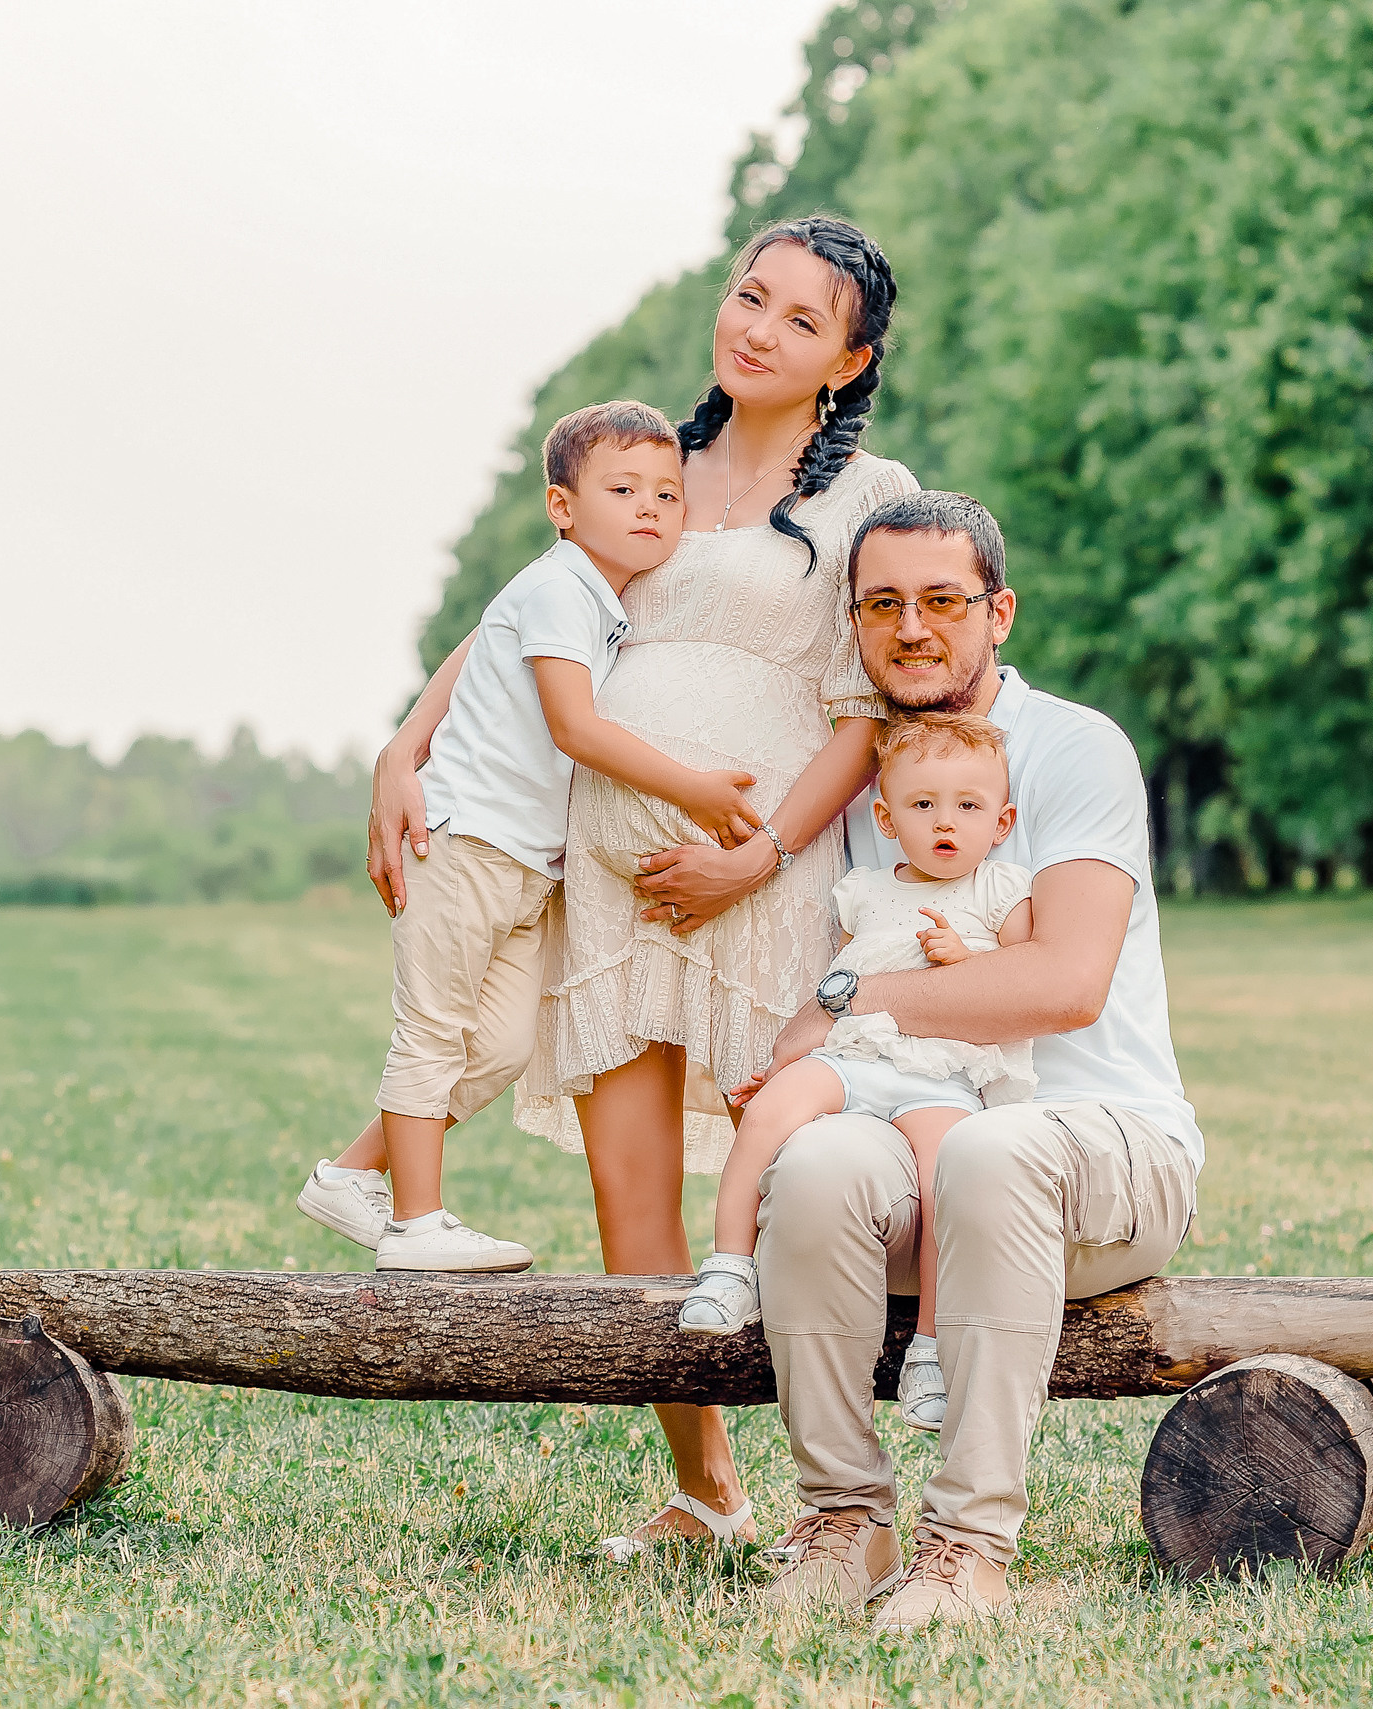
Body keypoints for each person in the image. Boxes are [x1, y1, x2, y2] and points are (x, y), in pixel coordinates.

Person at [365, 217, 915, 1556]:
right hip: (616, 890)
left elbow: (862, 714)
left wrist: (759, 852)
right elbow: (532, 616)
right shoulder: (646, 469)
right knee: (633, 1199)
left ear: (848, 362)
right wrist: (408, 739)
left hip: (757, 875)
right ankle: (705, 1487)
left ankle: (835, 1499)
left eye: (799, 319)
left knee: (792, 1184)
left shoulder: (864, 499)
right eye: (750, 295)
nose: (758, 328)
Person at [750, 490, 1205, 1634]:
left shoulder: (1074, 746)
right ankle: (844, 1521)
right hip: (925, 1146)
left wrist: (847, 998)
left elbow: (1062, 983)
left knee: (993, 1148)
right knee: (810, 1170)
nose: (913, 627)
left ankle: (965, 1547)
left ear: (997, 611)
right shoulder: (863, 783)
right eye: (882, 604)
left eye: (943, 600)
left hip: (1105, 1149)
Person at [297, 401, 761, 1273]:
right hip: (465, 841)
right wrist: (692, 788)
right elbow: (575, 728)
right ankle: (416, 1222)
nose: (650, 508)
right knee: (433, 1030)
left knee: (502, 1047)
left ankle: (352, 1173)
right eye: (622, 489)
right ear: (562, 507)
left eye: (667, 492)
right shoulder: (558, 587)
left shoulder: (603, 598)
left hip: (527, 865)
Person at [675, 711, 1034, 1444]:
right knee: (773, 1111)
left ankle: (930, 1348)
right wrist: (789, 1054)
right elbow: (838, 981)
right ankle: (729, 1265)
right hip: (857, 1054)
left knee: (947, 1180)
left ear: (1001, 820)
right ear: (885, 815)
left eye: (968, 806)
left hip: (943, 1074)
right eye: (922, 804)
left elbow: (1019, 983)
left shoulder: (1003, 890)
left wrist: (965, 960)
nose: (945, 822)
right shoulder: (866, 890)